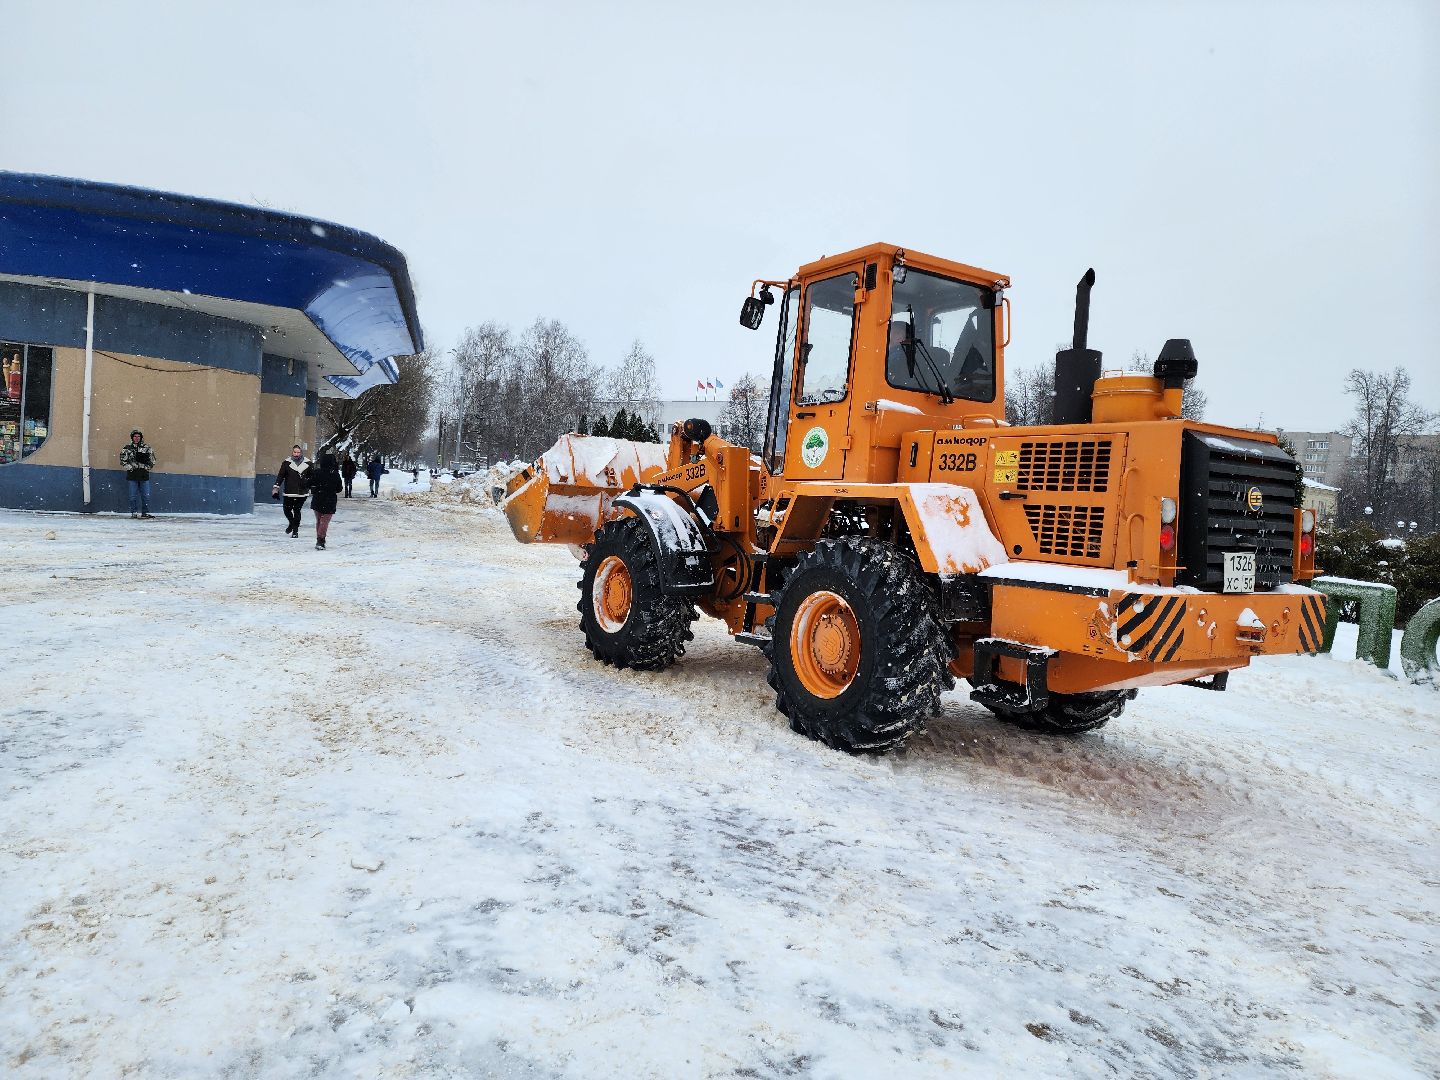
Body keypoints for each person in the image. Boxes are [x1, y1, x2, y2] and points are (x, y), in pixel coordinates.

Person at [272, 444, 312, 537]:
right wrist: (276, 488)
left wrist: (306, 482)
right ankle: (292, 523)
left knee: (297, 510)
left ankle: (295, 531)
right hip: (289, 491)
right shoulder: (286, 463)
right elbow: (281, 476)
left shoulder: (308, 463)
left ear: (301, 452)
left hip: (302, 492)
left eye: (298, 452)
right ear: (292, 452)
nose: (296, 454)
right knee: (286, 510)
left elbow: (312, 476)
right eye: (295, 452)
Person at [309, 452, 343, 550]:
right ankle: (320, 540)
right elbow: (339, 489)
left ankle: (319, 539)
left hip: (318, 499)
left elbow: (309, 483)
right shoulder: (335, 474)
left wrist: (316, 487)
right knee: (324, 521)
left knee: (319, 521)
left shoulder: (317, 472)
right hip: (330, 500)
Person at [120, 429, 156, 519]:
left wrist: (146, 467)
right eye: (135, 436)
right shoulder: (127, 448)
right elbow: (123, 461)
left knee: (146, 496)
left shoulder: (147, 448)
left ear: (141, 437)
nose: (137, 438)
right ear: (132, 438)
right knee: (132, 496)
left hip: (144, 475)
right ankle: (134, 512)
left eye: (138, 436)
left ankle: (145, 512)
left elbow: (153, 460)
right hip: (133, 475)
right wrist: (131, 467)